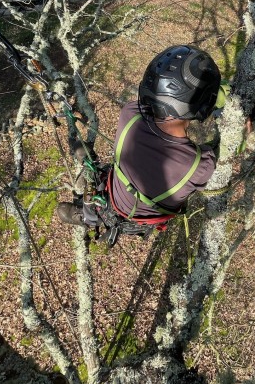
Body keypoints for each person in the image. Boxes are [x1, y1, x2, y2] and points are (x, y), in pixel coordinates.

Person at [56, 45, 221, 240]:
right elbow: (224, 145)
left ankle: (92, 211)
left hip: (117, 190)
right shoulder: (200, 165)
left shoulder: (131, 114)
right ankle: (94, 215)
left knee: (93, 176)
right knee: (106, 192)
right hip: (138, 215)